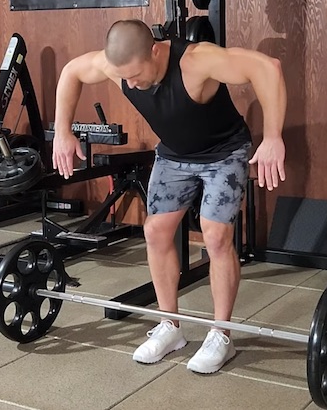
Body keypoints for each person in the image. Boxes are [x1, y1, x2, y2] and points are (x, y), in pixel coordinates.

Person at [51, 19, 287, 374]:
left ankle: (222, 335)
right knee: (155, 231)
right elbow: (72, 71)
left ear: (155, 51)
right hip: (174, 155)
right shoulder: (116, 66)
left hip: (224, 153)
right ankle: (169, 326)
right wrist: (62, 132)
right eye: (123, 78)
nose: (130, 85)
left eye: (135, 75)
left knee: (216, 235)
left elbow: (268, 68)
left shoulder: (196, 61)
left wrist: (272, 137)